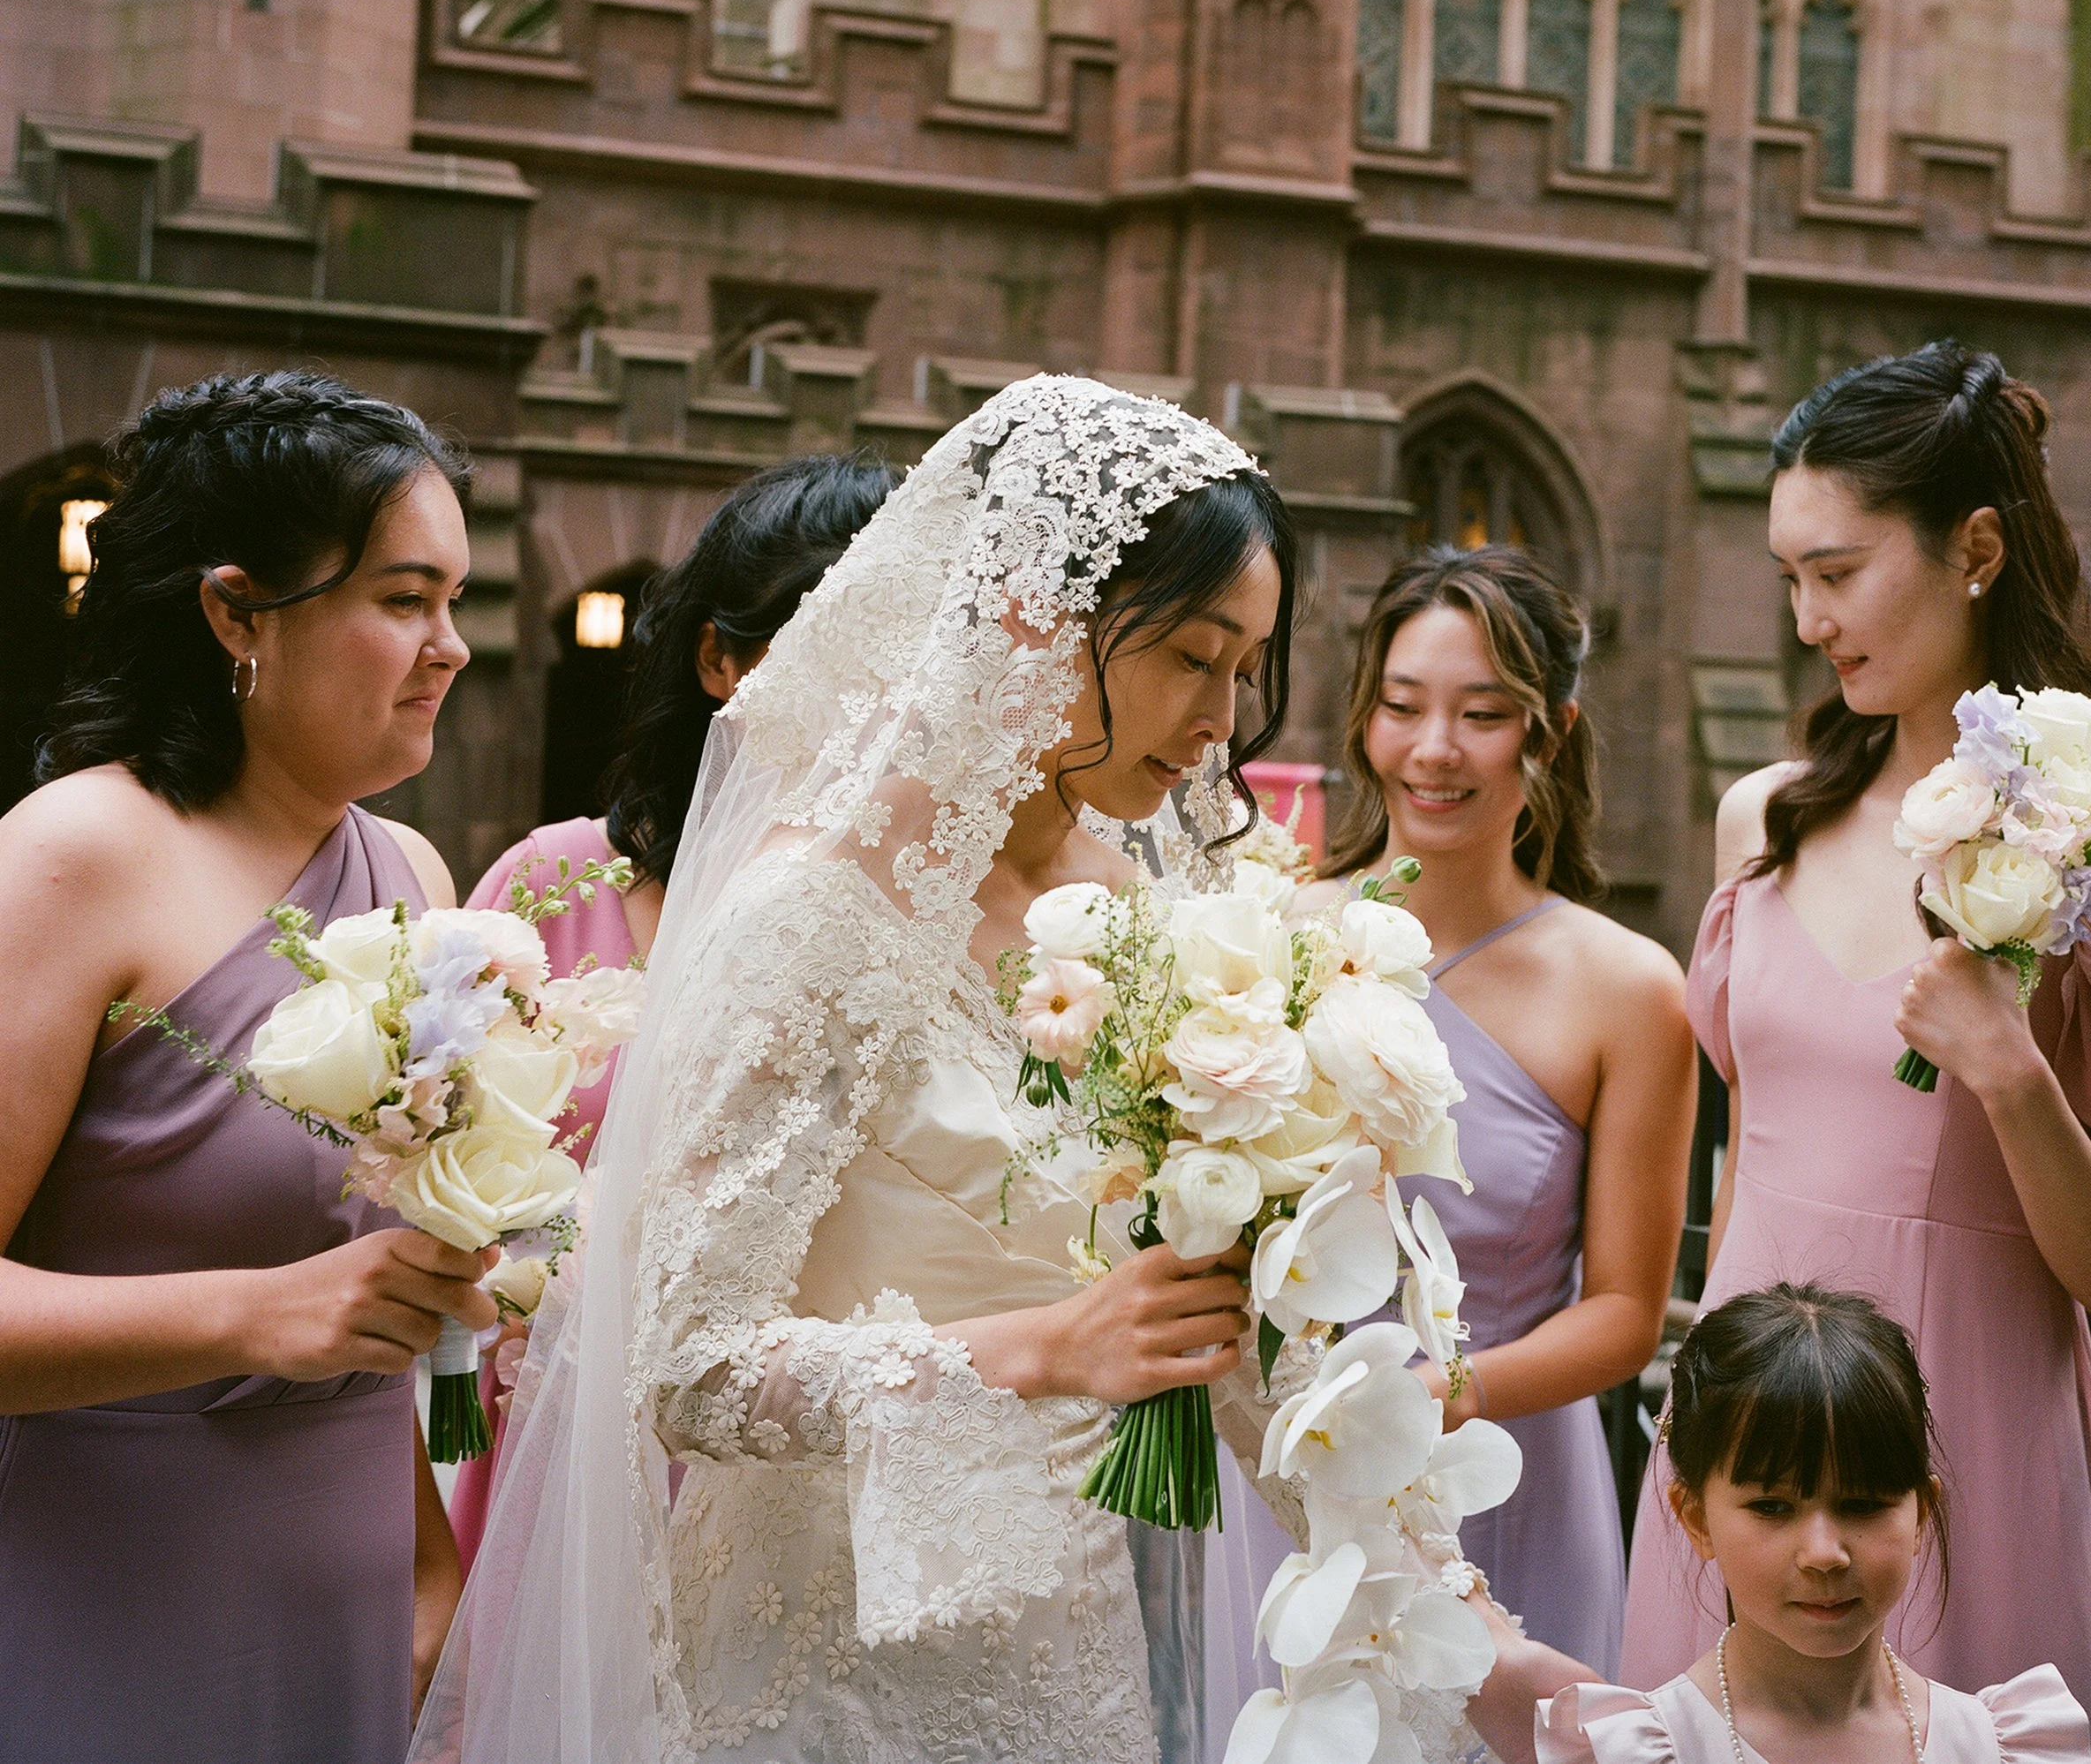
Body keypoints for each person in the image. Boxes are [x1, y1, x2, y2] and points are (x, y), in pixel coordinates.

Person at [418, 376, 1391, 1764]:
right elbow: (682, 1365)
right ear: (1030, 616)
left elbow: (1204, 1316)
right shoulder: (814, 914)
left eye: (1249, 664)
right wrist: (1041, 1350)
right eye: (1192, 654)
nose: (1224, 720)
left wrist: (1413, 1577)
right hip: (819, 1676)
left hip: (1073, 1651)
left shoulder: (1171, 913)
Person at [1619, 342, 2091, 1764]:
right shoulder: (1765, 819)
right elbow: (1745, 1162)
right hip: (1742, 1422)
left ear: (1976, 548)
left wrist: (2009, 1072)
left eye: (1840, 570)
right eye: (1788, 579)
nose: (1808, 617)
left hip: (1961, 1434)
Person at [0, 373, 502, 1764]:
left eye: (456, 600)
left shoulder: (410, 873)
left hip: (351, 1586)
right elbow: (296, 1301)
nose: (450, 647)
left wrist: (423, 1567)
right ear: (236, 612)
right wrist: (249, 1316)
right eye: (403, 599)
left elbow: (371, 1283)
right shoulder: (73, 854)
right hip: (117, 1590)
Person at [1204, 547, 1694, 1738]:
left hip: (1504, 1461)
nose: (1436, 748)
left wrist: (1439, 1393)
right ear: (1366, 717)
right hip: (1290, 1461)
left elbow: (1628, 1309)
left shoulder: (1627, 986)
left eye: (1483, 714)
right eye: (1404, 706)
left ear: (1551, 729)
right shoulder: (1271, 938)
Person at [444, 450, 896, 1567]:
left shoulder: (919, 931)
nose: (872, 701)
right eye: (833, 648)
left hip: (800, 1488)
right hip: (550, 1453)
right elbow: (431, 1184)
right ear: (719, 656)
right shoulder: (549, 890)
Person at [1538, 1285, 2089, 1764]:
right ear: (1696, 1518)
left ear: (1921, 1511)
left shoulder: (1999, 1745)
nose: (1825, 1554)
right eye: (1773, 1508)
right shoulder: (1643, 1749)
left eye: (1863, 1504)